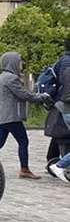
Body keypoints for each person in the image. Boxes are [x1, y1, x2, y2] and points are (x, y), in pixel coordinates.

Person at [0, 52, 52, 179]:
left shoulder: (3, 76)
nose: (21, 64)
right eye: (19, 61)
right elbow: (24, 95)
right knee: (23, 141)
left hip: (1, 117)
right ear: (12, 63)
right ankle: (24, 169)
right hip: (11, 117)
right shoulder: (11, 78)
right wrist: (42, 97)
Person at [45, 38, 70, 168]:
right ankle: (60, 165)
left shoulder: (61, 60)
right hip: (65, 103)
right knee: (63, 135)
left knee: (60, 134)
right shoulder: (67, 63)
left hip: (60, 103)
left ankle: (54, 162)